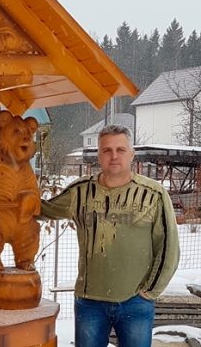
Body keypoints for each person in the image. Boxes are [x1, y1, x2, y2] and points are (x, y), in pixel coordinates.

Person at [40, 124, 180, 347]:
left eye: (120, 150)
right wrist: (10, 194)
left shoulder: (153, 194)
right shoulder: (80, 192)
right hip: (90, 303)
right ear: (99, 155)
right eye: (107, 150)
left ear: (131, 154)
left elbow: (169, 247)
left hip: (135, 301)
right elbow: (41, 209)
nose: (114, 156)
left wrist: (149, 291)